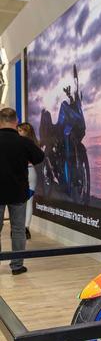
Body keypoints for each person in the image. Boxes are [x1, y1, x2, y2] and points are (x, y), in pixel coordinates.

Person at [0, 108, 45, 275]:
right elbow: (39, 157)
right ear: (16, 121)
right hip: (18, 192)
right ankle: (17, 266)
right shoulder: (23, 142)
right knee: (18, 230)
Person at [17, 122, 39, 240]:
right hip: (31, 172)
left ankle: (23, 228)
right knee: (28, 202)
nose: (18, 132)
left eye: (20, 130)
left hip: (24, 173)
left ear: (26, 131)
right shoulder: (34, 143)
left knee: (21, 203)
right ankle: (26, 228)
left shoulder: (19, 143)